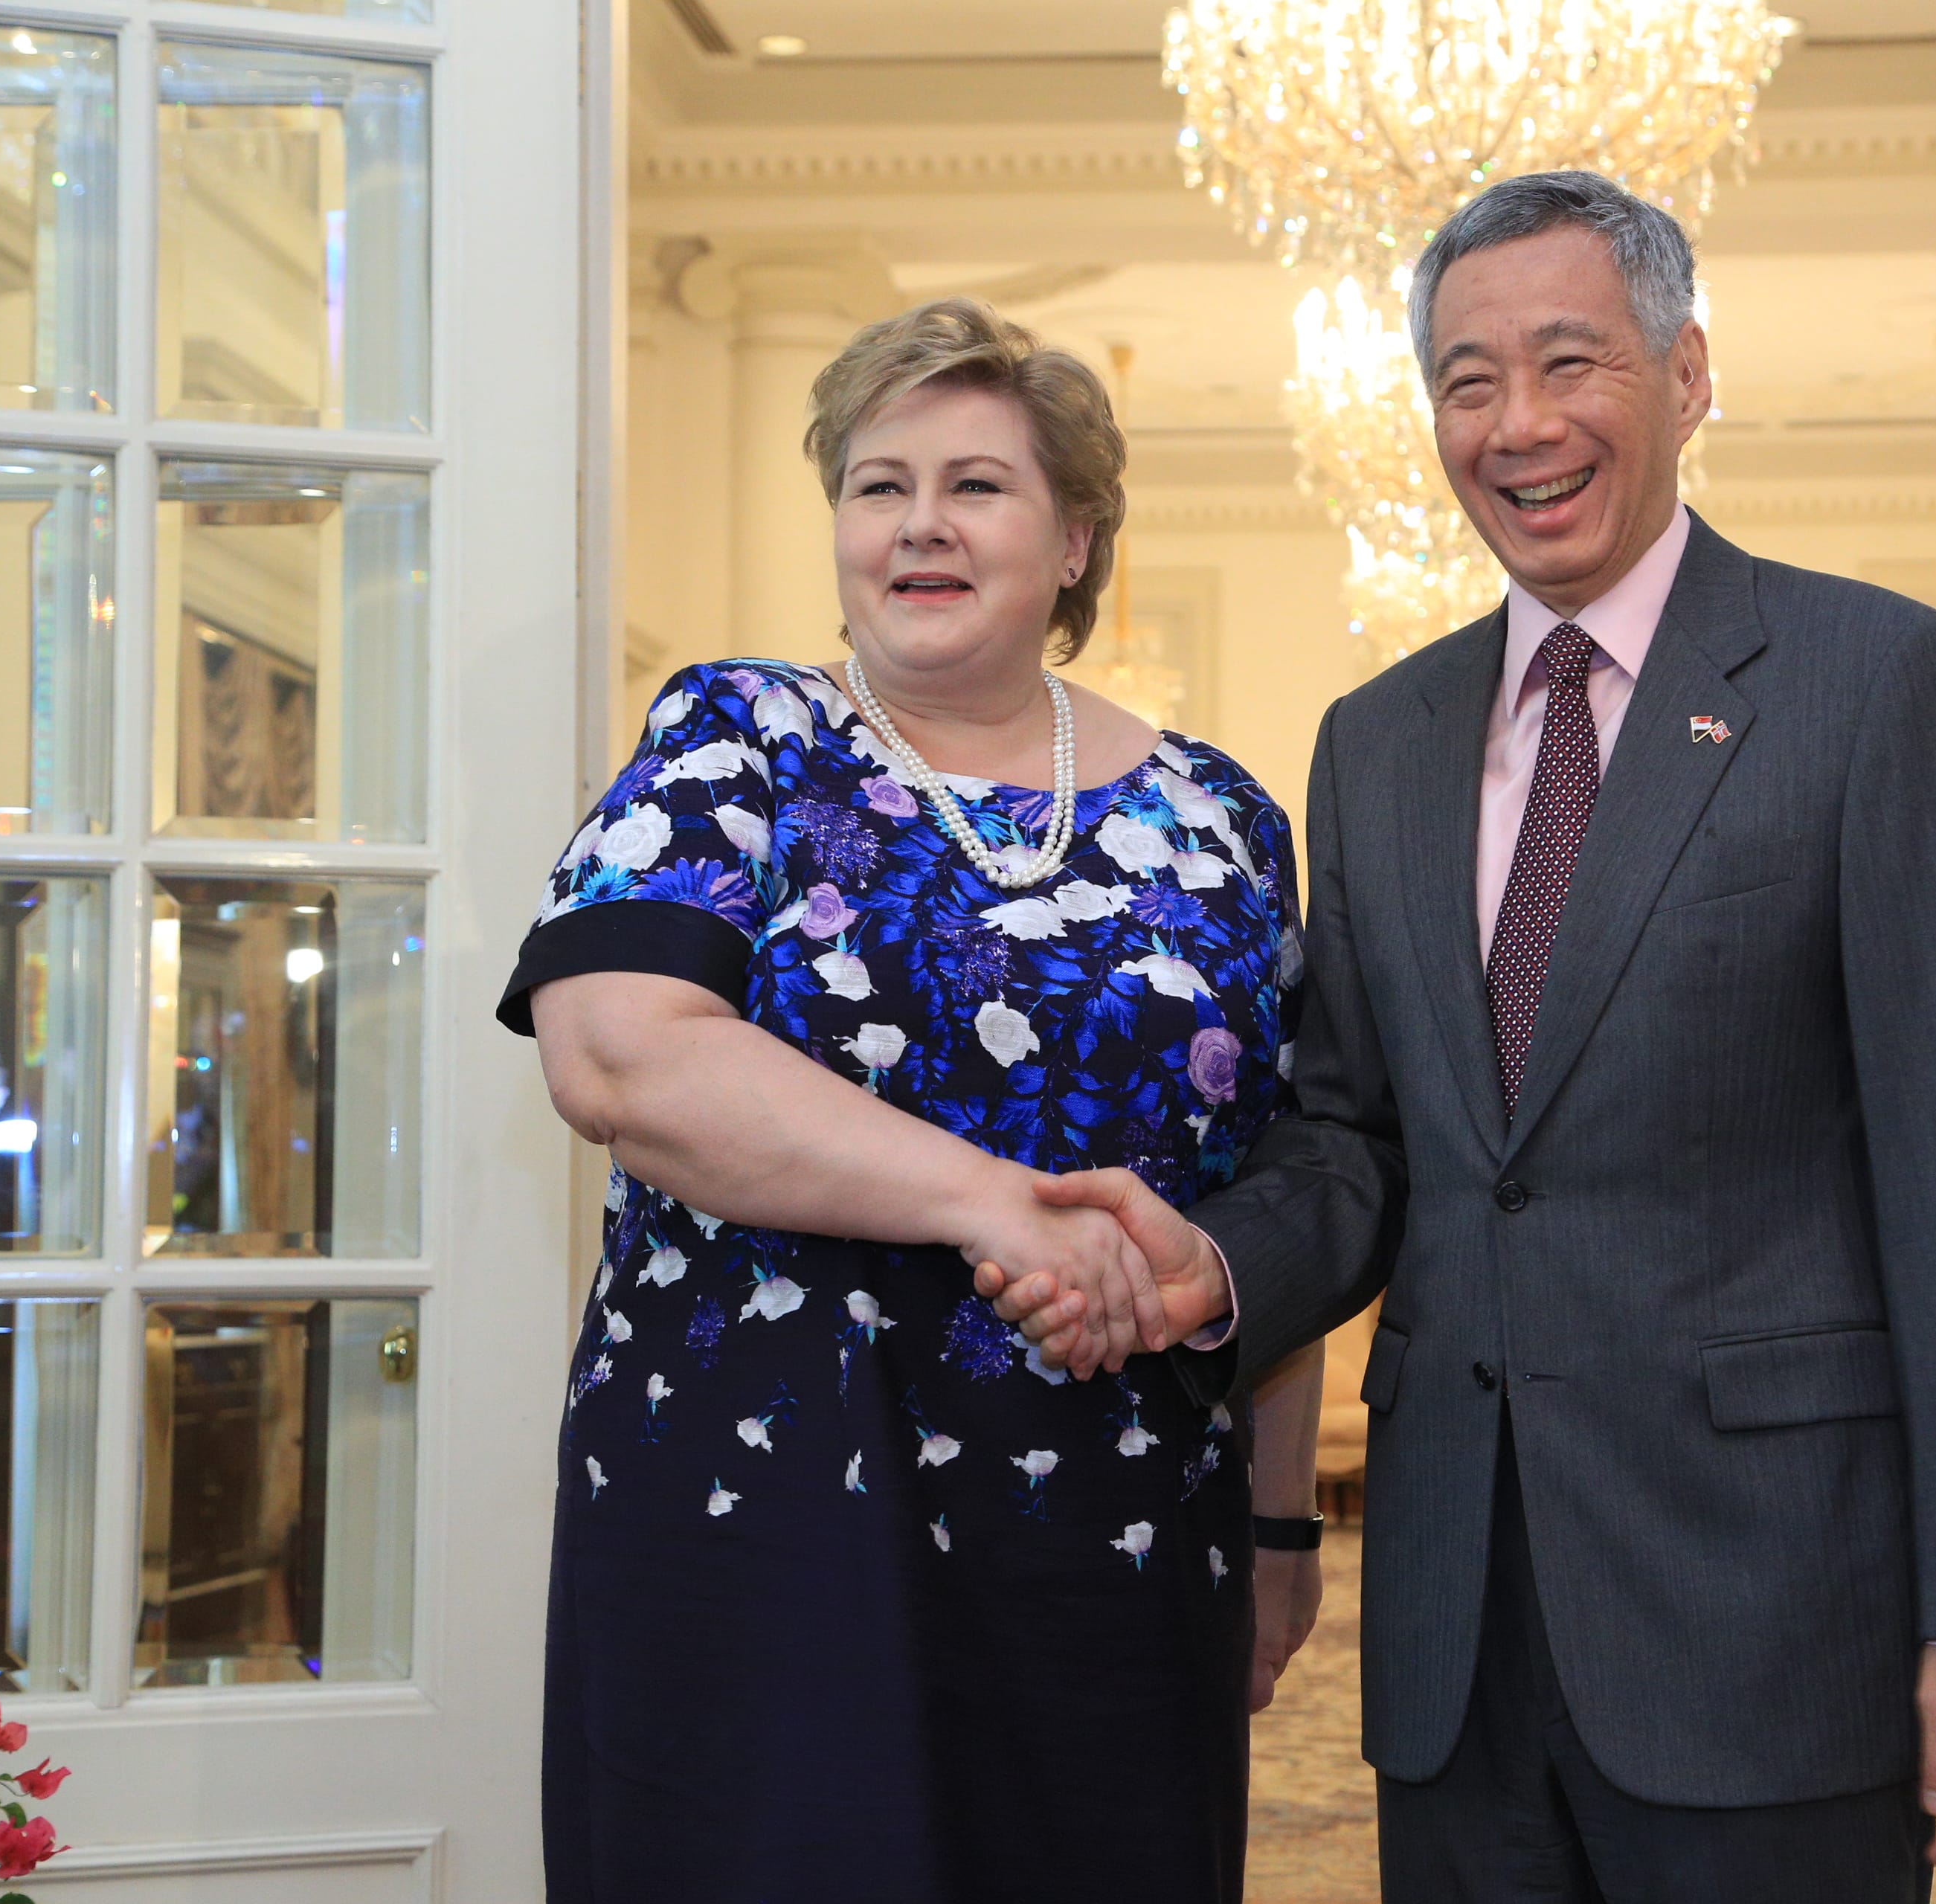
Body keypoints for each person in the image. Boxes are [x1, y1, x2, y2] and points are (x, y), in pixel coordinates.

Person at [991, 172, 1936, 1902]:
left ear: (1690, 374)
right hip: (1457, 1630)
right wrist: (1202, 1258)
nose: (1522, 423)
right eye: (1468, 381)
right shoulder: (1380, 739)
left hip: (1773, 1612)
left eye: (1575, 361)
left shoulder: (1878, 682)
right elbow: (1354, 1137)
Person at [503, 298, 1325, 1903]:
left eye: (977, 485)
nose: (920, 525)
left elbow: (1286, 1191)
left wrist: (1284, 1530)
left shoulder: (1223, 813)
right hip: (763, 1521)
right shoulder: (735, 738)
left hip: (1121, 1539)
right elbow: (616, 1049)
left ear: (1078, 537)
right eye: (879, 485)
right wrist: (989, 1198)